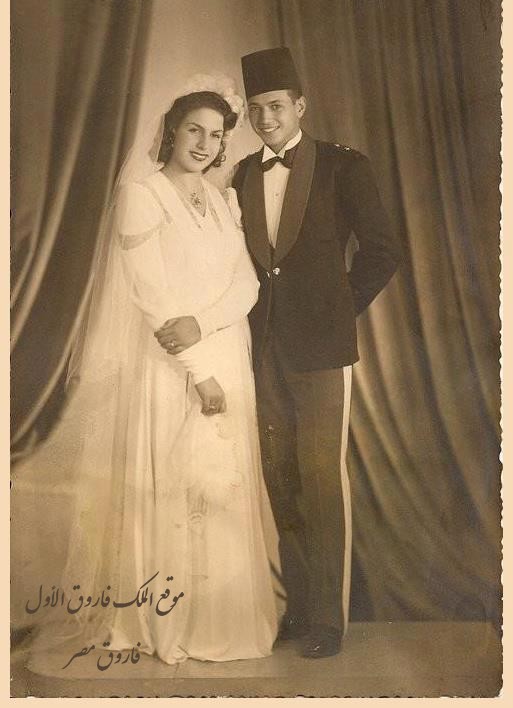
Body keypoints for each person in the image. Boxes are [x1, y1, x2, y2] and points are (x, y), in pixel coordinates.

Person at [28, 76, 278, 666]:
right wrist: (197, 367)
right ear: (170, 131)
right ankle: (167, 620)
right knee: (174, 484)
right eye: (194, 130)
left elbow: (246, 284)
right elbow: (151, 295)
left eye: (215, 135)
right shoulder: (143, 194)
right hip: (171, 368)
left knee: (221, 487)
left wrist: (205, 325)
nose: (204, 144)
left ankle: (220, 620)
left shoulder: (222, 199)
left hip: (225, 353)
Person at [232, 47, 401, 658]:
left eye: (276, 106)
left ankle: (329, 618)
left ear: (300, 106)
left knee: (322, 479)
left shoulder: (343, 166)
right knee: (279, 477)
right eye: (256, 109)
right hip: (260, 350)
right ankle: (300, 609)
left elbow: (383, 251)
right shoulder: (241, 174)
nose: (266, 118)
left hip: (322, 352)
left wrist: (335, 310)